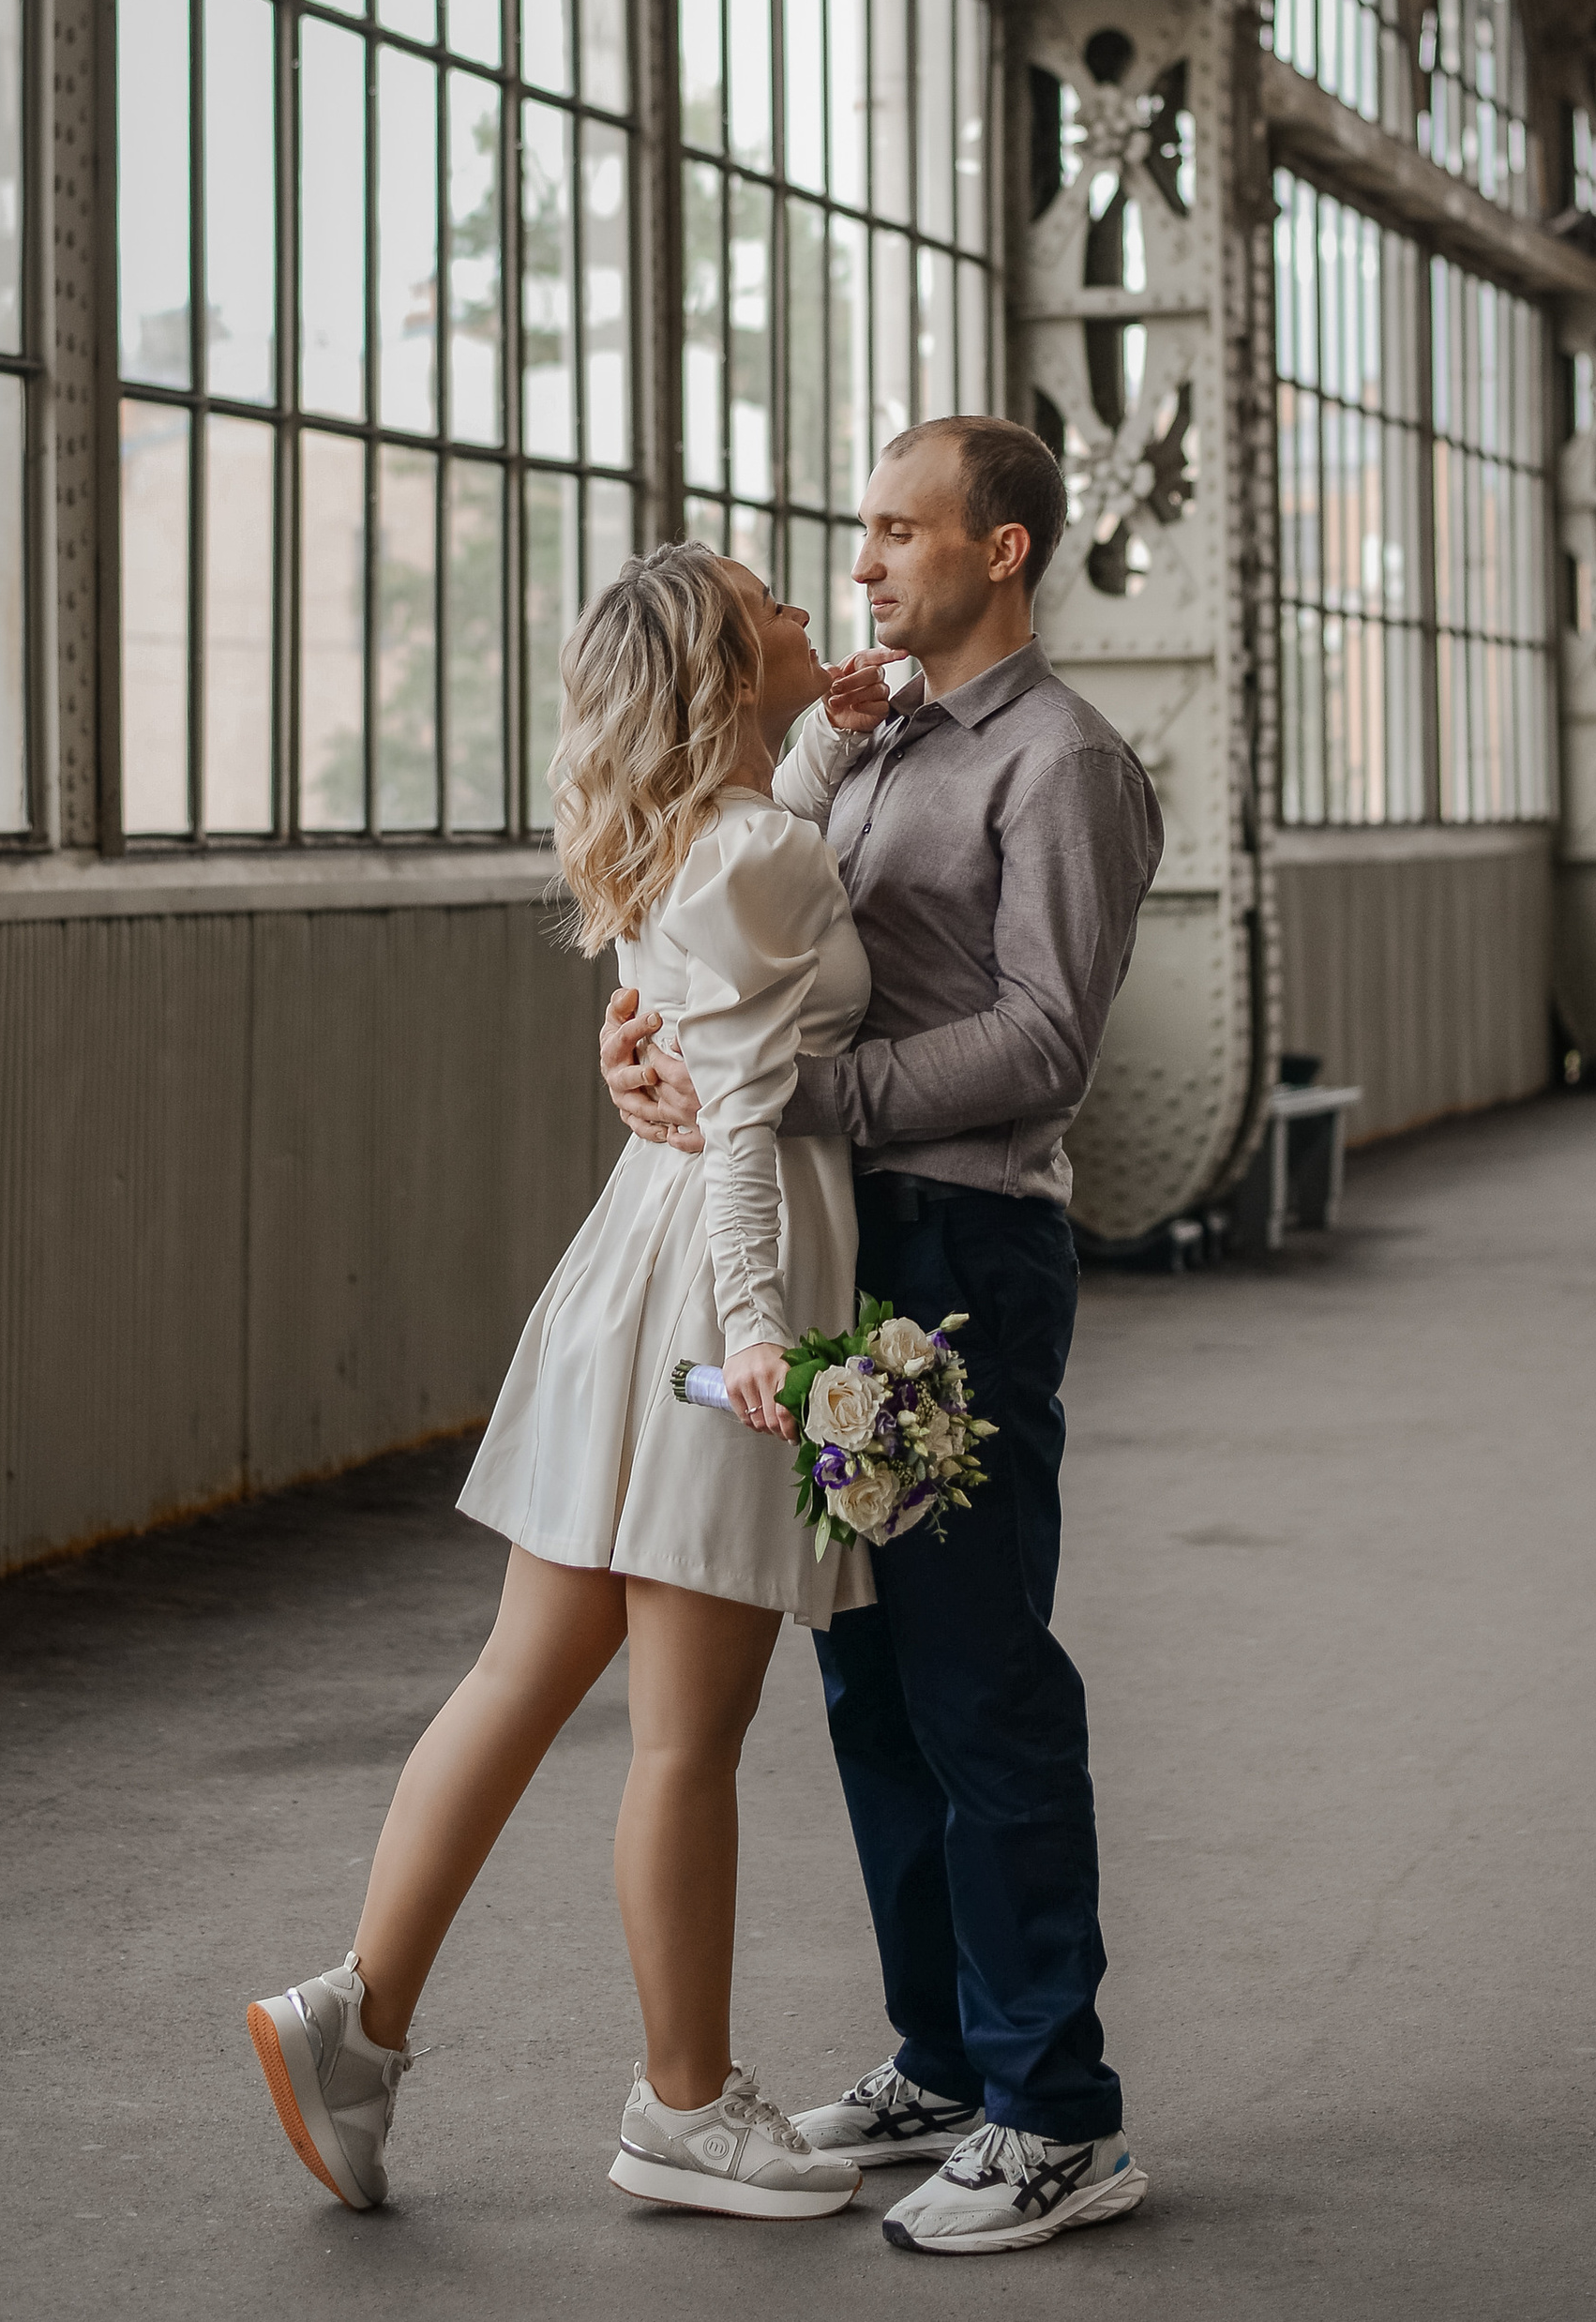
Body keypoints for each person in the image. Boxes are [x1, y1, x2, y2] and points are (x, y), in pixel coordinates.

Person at [246, 544, 893, 2224]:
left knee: (521, 1672)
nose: (809, 604)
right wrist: (762, 1333)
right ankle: (685, 2105)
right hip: (716, 1291)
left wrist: (825, 728)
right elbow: (748, 1115)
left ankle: (351, 2019)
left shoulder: (709, 834)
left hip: (637, 1267)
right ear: (719, 660)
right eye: (773, 603)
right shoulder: (755, 852)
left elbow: (751, 882)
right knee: (688, 1730)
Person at [605, 416, 1163, 2257]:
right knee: (867, 1684)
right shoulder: (863, 743)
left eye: (899, 533)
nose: (861, 563)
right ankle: (942, 2055)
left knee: (980, 1673)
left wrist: (796, 1096)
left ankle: (1054, 2115)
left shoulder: (1062, 765)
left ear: (1000, 553)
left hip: (962, 1251)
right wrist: (657, 1059)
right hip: (853, 1257)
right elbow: (732, 975)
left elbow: (1039, 1039)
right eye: (854, 533)